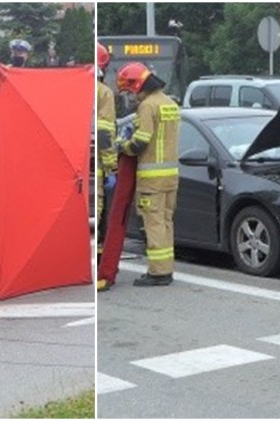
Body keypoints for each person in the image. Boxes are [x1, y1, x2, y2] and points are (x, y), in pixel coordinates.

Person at [114, 62, 180, 286]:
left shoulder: (148, 106)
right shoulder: (169, 103)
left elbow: (141, 142)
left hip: (151, 178)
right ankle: (167, 269)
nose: (132, 97)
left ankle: (157, 273)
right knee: (166, 222)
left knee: (153, 223)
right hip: (171, 176)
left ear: (138, 85)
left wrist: (122, 146)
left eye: (131, 91)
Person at [95, 43, 118, 292]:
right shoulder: (103, 93)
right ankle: (99, 263)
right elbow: (104, 133)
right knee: (100, 214)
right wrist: (111, 166)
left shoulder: (75, 85)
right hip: (97, 162)